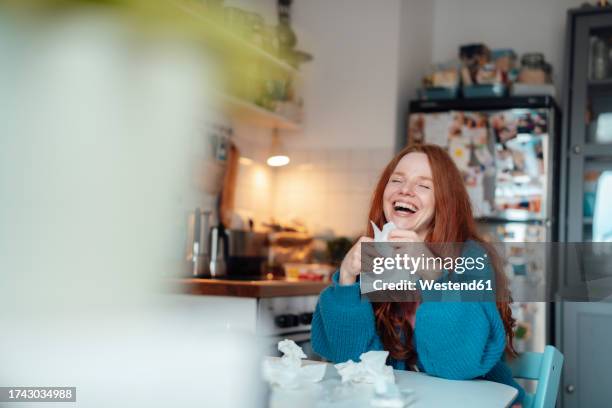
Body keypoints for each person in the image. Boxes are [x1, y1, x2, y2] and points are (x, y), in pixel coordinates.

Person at [311, 144, 525, 406]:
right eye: (397, 180)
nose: (405, 190)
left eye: (424, 185)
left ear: (444, 201)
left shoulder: (471, 257)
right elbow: (353, 364)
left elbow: (456, 367)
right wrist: (345, 281)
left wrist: (434, 275)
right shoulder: (373, 254)